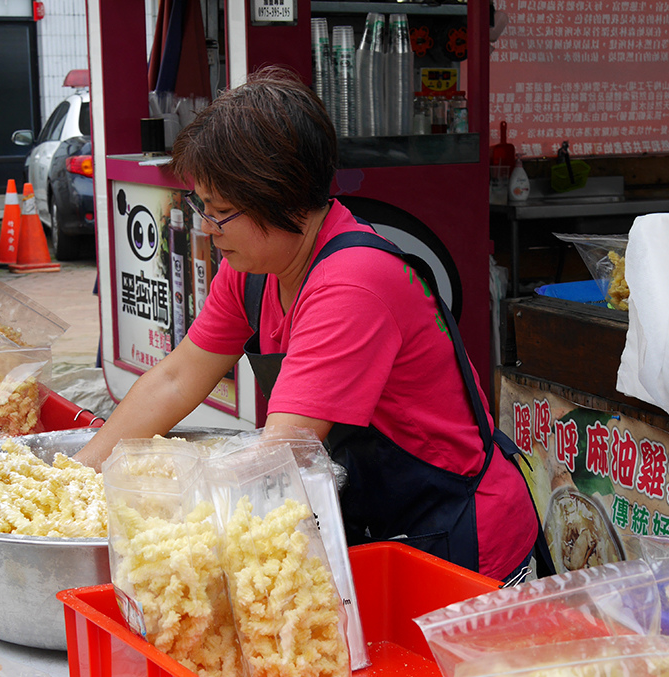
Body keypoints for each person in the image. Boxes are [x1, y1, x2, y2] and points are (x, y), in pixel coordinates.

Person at [75, 67, 544, 584]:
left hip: (460, 539)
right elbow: (176, 377)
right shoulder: (250, 270)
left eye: (222, 211)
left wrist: (163, 513)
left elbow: (284, 453)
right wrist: (81, 482)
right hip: (379, 525)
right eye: (201, 206)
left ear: (283, 196)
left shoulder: (352, 285)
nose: (206, 229)